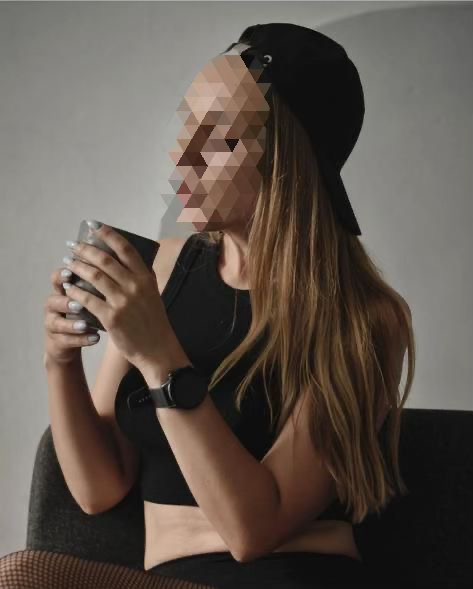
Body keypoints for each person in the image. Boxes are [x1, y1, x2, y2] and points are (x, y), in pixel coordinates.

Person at [0, 22, 415, 589]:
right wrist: (60, 360)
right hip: (172, 578)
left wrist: (160, 358)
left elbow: (253, 530)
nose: (184, 154)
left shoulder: (364, 318)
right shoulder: (163, 272)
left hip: (294, 576)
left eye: (221, 138)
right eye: (188, 125)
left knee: (22, 577)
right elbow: (100, 488)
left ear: (286, 162)